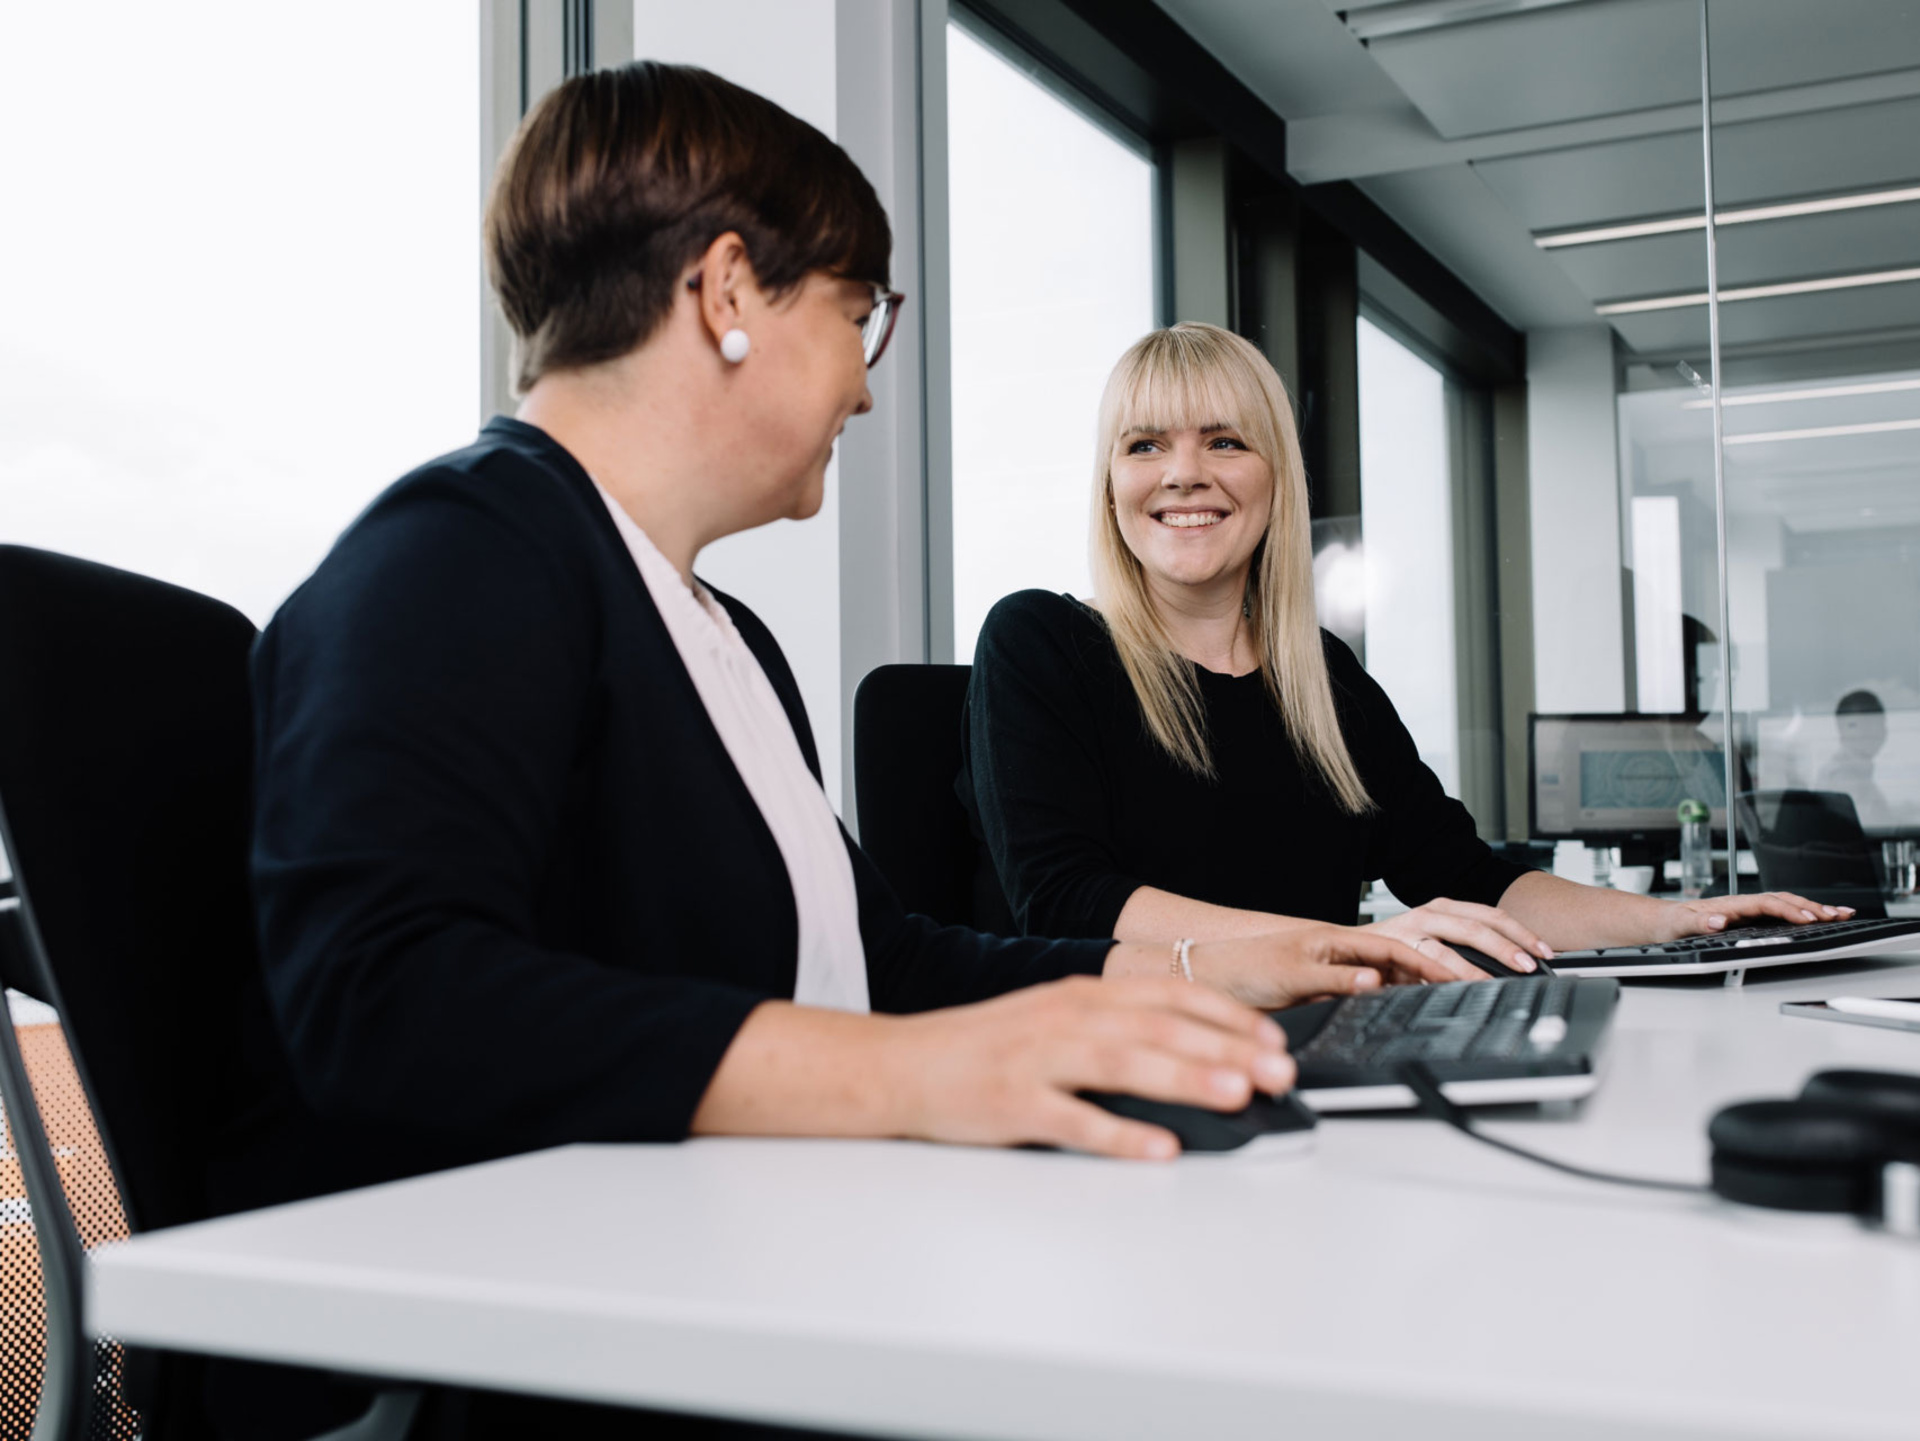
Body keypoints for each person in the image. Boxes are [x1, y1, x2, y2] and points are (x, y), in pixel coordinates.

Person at [235, 66, 1463, 1441]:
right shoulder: (459, 554)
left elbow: (892, 960)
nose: (869, 392)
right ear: (727, 296)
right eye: (856, 313)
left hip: (785, 1270)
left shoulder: (719, 634)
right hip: (623, 1358)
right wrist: (914, 1075)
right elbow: (383, 999)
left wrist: (1215, 969)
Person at [959, 322, 1845, 968]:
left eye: (1224, 441)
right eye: (1144, 443)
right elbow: (1069, 903)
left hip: (1315, 1052)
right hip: (1128, 1060)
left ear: (1277, 478)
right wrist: (1348, 945)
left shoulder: (1321, 678)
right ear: (1112, 481)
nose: (1183, 472)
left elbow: (1465, 874)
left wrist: (1672, 921)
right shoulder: (1043, 641)